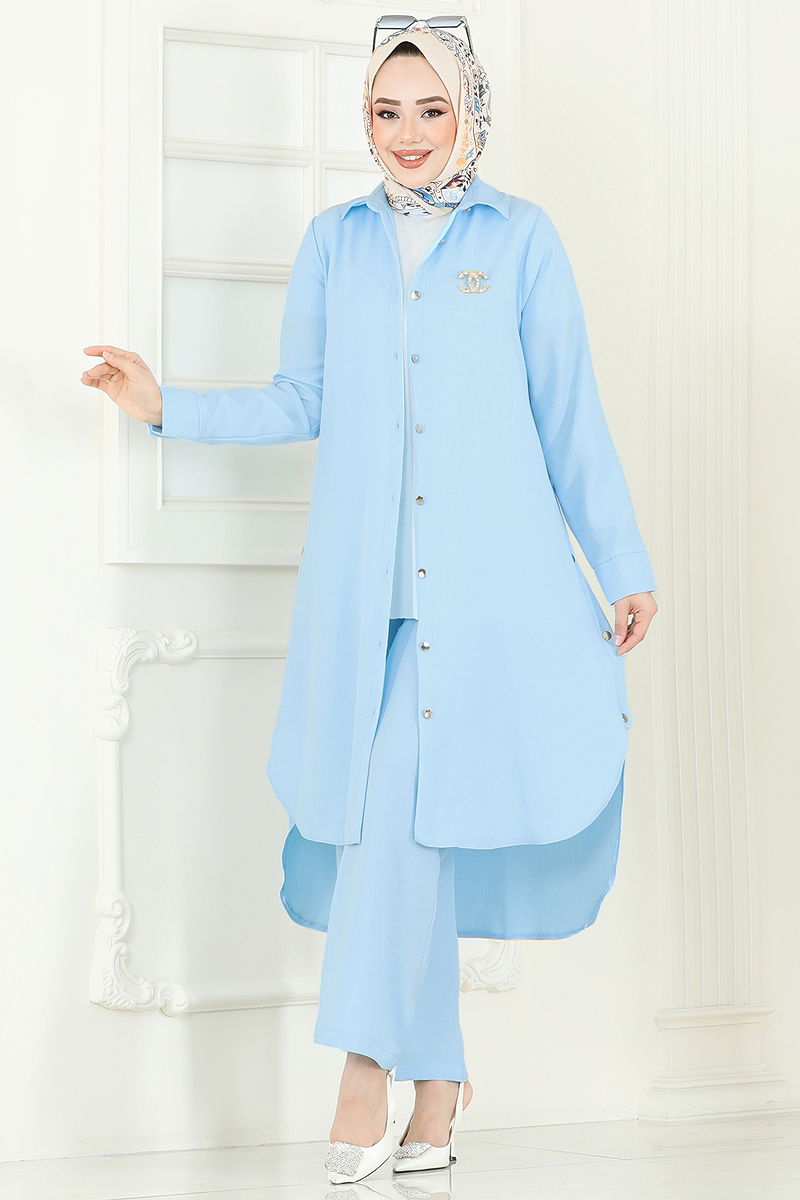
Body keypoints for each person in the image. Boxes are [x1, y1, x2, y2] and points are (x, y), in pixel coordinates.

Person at [80, 15, 658, 1187]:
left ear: (469, 114)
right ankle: (434, 1083)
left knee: (409, 818)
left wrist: (622, 562)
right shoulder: (332, 243)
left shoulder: (519, 238)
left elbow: (567, 411)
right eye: (385, 112)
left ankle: (364, 1068)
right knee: (402, 823)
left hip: (493, 595)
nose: (406, 133)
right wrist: (167, 406)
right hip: (368, 602)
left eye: (430, 109)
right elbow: (300, 397)